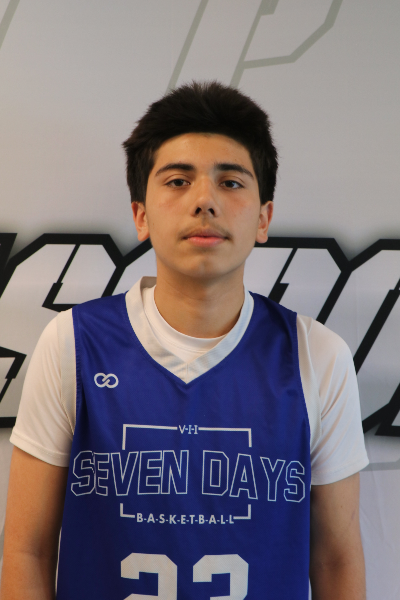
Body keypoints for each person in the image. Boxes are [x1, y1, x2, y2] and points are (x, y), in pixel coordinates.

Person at [1, 81, 368, 599]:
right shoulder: (73, 343)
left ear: (263, 218)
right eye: (178, 181)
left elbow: (335, 557)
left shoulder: (317, 354)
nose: (204, 201)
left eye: (231, 182)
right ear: (141, 215)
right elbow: (27, 550)